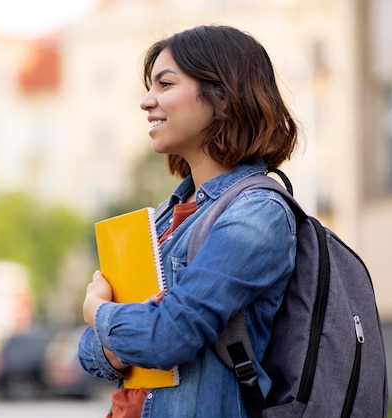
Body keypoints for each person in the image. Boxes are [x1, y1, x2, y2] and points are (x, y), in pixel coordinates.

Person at [78, 24, 299, 418]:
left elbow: (167, 338)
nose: (146, 101)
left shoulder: (257, 213)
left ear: (224, 97)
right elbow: (90, 356)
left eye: (165, 84)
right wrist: (126, 332)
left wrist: (99, 311)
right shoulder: (166, 217)